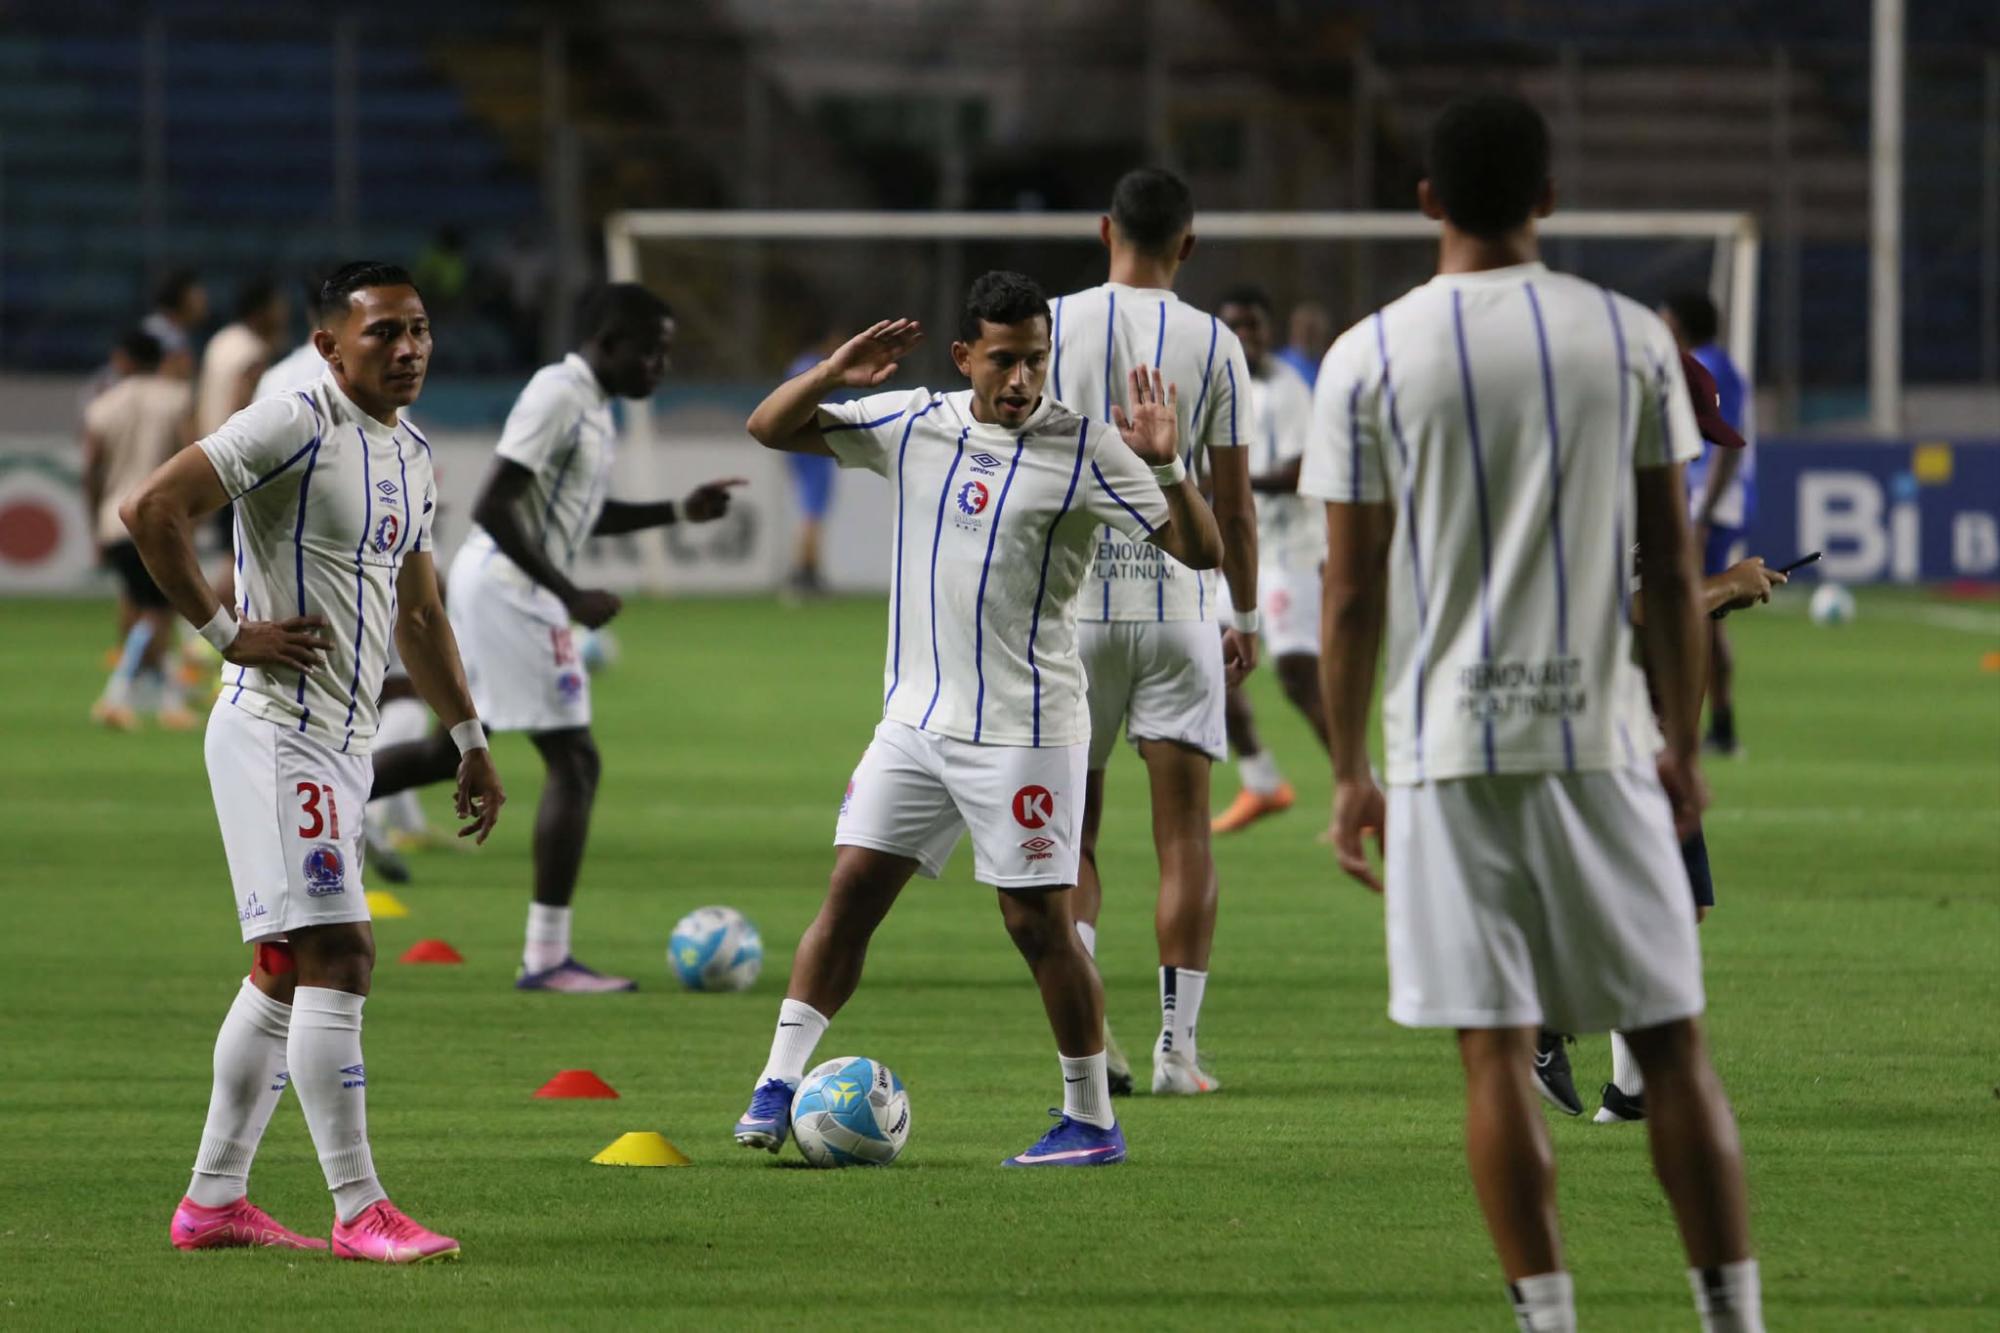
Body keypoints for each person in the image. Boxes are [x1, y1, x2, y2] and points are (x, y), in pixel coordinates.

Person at [1307, 93, 1763, 1332]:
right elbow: (1671, 565)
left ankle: (1546, 1318)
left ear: (1424, 202)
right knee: (1668, 1042)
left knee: (1492, 1050)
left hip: (1444, 753)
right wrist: (1680, 746)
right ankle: (1730, 1316)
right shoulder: (1628, 340)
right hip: (1600, 739)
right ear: (1549, 199)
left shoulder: (1364, 356)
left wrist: (1346, 770)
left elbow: (1348, 594)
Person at [731, 271, 1222, 1166]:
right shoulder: (915, 421)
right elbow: (769, 427)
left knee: (1039, 925)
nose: (1021, 378)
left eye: (1035, 359)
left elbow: (1201, 548)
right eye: (1003, 360)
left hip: (1026, 733)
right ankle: (776, 1082)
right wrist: (833, 371)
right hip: (915, 724)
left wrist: (1168, 465)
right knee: (850, 894)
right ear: (965, 357)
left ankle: (1091, 1121)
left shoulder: (1086, 448)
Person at [120, 261, 504, 1262]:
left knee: (288, 967)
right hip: (275, 729)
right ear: (329, 345)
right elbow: (151, 507)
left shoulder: (413, 452)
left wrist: (468, 738)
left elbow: (421, 612)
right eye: (384, 333)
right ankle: (358, 1207)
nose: (409, 349)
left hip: (342, 742)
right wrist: (226, 631)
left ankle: (213, 1200)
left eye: (420, 330)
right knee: (344, 952)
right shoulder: (291, 422)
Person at [361, 283, 743, 992]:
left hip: (505, 586)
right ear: (609, 342)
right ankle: (546, 956)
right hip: (511, 590)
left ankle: (324, 800)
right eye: (652, 352)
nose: (660, 367)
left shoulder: (592, 406)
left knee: (452, 751)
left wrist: (678, 511)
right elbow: (494, 504)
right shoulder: (558, 395)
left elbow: (574, 514)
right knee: (575, 760)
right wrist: (569, 594)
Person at [1532, 352, 1786, 1124]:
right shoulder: (1608, 492)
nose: (1695, 452)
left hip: (1642, 724)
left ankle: (1629, 1090)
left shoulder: (1642, 488)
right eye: (1691, 433)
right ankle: (1542, 1022)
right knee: (1644, 902)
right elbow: (1622, 608)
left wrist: (1719, 597)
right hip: (1601, 724)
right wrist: (1726, 584)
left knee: (1671, 906)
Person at [1049, 167, 1259, 1097]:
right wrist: (1243, 614)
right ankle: (1179, 1051)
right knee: (1185, 839)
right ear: (1189, 243)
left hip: (1074, 608)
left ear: (1106, 231)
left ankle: (1092, 1031)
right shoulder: (1216, 342)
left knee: (1076, 837)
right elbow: (1236, 505)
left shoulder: (1051, 325)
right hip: (1179, 604)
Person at [1210, 287, 1328, 834]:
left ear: (1267, 331)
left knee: (1297, 676)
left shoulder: (1289, 388)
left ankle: (1364, 786)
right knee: (1208, 661)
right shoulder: (1215, 387)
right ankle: (1261, 781)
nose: (1244, 337)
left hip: (1288, 551)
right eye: (1234, 327)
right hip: (1238, 552)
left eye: (1252, 326)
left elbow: (1301, 471)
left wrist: (1232, 482)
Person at [83, 329, 197, 730]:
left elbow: (91, 469)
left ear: (123, 360)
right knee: (160, 613)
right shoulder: (176, 398)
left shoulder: (103, 404)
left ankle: (163, 699)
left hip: (113, 521)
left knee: (145, 608)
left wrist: (95, 526)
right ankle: (119, 697)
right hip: (155, 520)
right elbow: (192, 456)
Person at [1660, 290, 1757, 758]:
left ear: (1676, 321)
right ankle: (1710, 725)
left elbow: (1727, 447)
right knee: (1699, 613)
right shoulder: (1708, 366)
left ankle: (1713, 724)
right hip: (1699, 508)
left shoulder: (1706, 368)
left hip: (1708, 511)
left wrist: (1701, 515)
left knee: (1700, 613)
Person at [783, 329, 844, 599]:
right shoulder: (820, 370)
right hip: (814, 447)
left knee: (809, 511)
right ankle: (805, 572)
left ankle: (807, 569)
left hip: (796, 446)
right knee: (813, 512)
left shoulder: (799, 366)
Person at [142, 268, 209, 359]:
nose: (204, 302)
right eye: (198, 297)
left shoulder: (178, 333)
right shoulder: (155, 332)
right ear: (182, 297)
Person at [1275, 299, 1331, 389]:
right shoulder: (1276, 363)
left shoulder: (1327, 366)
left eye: (1313, 330)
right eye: (1302, 327)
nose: (1306, 334)